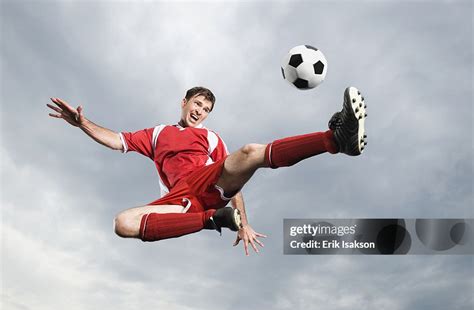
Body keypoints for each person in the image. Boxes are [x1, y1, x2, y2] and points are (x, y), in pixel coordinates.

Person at [47, 86, 367, 255]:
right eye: (197, 104)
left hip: (207, 182)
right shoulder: (158, 134)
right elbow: (117, 140)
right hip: (180, 200)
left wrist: (245, 223)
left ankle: (335, 139)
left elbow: (235, 184)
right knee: (123, 223)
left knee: (250, 153)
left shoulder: (211, 138)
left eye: (206, 109)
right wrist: (82, 124)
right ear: (184, 102)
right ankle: (211, 221)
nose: (200, 111)